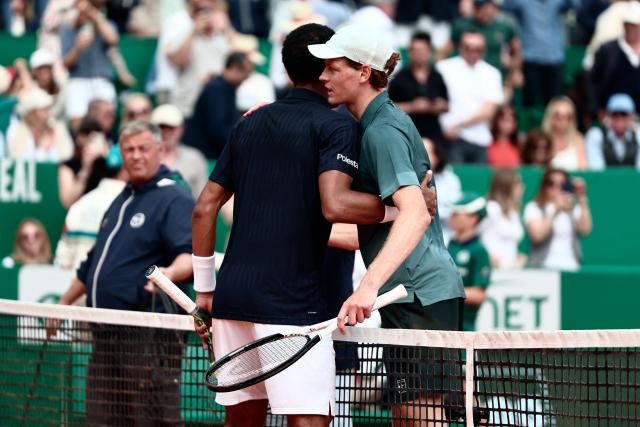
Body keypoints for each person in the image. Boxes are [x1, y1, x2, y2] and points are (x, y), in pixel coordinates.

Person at [191, 23, 436, 427]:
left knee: (243, 422)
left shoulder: (248, 123)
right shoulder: (339, 128)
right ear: (327, 67)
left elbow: (204, 208)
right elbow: (336, 204)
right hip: (293, 305)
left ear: (287, 73)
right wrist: (399, 209)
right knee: (308, 422)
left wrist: (205, 292)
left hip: (232, 298)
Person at [310, 24, 465, 424]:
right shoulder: (371, 125)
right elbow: (384, 224)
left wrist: (367, 286)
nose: (323, 76)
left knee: (420, 419)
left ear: (363, 72)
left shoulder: (382, 131)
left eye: (333, 68)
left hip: (420, 299)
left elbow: (414, 212)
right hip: (414, 298)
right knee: (408, 419)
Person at [47, 120, 194, 425]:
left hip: (149, 339)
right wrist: (62, 305)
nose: (136, 156)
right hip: (105, 335)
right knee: (104, 420)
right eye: (129, 149)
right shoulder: (121, 199)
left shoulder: (175, 197)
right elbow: (92, 265)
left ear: (161, 151)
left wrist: (165, 276)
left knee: (151, 420)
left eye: (143, 148)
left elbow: (190, 257)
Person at [55, 145, 127, 270]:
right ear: (125, 170)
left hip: (76, 283)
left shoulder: (79, 205)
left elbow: (62, 261)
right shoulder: (130, 205)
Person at [437, 30, 504, 164]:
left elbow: (488, 111)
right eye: (468, 47)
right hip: (450, 137)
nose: (473, 51)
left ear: (484, 50)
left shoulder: (492, 73)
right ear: (460, 47)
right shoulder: (444, 68)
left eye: (478, 48)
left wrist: (458, 125)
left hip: (480, 138)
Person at [161, 0, 234, 116]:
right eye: (200, 10)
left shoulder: (222, 36)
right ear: (192, 14)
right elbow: (177, 60)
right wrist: (194, 31)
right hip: (190, 104)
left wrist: (226, 27)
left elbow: (242, 56)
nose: (205, 14)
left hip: (217, 102)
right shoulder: (185, 35)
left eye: (210, 10)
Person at [501, 0, 579, 107]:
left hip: (554, 58)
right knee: (530, 103)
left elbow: (575, 5)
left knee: (554, 103)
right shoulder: (522, 2)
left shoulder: (557, 2)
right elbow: (505, 7)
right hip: (530, 59)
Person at [439, 0, 522, 100]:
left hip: (495, 78)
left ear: (490, 6)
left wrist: (515, 71)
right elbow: (443, 52)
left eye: (482, 6)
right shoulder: (462, 25)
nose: (478, 9)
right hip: (465, 79)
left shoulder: (504, 26)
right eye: (476, 6)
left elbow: (517, 51)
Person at [183, 52, 253, 159]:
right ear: (234, 68)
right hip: (204, 154)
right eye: (245, 73)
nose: (246, 78)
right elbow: (217, 129)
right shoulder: (216, 89)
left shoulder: (227, 88)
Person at [59, 0, 118, 124]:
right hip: (78, 80)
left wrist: (94, 15)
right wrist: (78, 48)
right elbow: (66, 64)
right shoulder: (67, 28)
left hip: (102, 79)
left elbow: (113, 40)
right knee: (78, 122)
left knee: (105, 119)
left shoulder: (106, 24)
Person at [524, 168, 593, 271]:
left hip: (571, 267)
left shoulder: (573, 208)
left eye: (562, 184)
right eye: (551, 183)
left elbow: (585, 229)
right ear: (544, 186)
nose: (556, 188)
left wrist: (582, 198)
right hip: (542, 269)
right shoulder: (534, 207)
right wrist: (555, 211)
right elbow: (537, 236)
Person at [388, 32, 449, 145]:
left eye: (423, 50)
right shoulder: (399, 78)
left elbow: (446, 105)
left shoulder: (437, 77)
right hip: (405, 134)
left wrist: (438, 105)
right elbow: (389, 107)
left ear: (430, 52)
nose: (419, 54)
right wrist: (413, 106)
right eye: (415, 50)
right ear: (410, 52)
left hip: (433, 135)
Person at [447, 193, 491, 331]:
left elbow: (479, 295)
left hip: (464, 328)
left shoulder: (479, 250)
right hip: (444, 325)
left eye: (457, 213)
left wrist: (446, 293)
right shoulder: (450, 244)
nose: (451, 217)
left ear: (473, 219)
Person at [588, 4, 640, 119]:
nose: (634, 29)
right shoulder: (607, 50)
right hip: (612, 116)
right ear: (624, 25)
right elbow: (592, 80)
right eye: (630, 25)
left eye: (636, 25)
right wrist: (596, 109)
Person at [152, 103, 209, 198]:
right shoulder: (145, 158)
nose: (165, 132)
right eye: (161, 127)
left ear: (181, 129)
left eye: (170, 128)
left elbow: (203, 198)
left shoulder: (194, 158)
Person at [7, 87, 73, 161]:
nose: (48, 112)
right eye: (44, 109)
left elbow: (67, 153)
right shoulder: (18, 129)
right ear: (32, 112)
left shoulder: (56, 127)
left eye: (48, 108)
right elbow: (16, 157)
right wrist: (41, 150)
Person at [57, 117, 109, 209]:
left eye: (95, 136)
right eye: (87, 135)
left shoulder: (107, 162)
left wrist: (108, 157)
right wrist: (86, 168)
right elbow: (68, 202)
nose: (90, 140)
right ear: (78, 138)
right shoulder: (68, 166)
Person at [481, 168, 526, 268]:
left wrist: (519, 256)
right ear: (505, 186)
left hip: (511, 270)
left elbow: (510, 244)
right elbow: (474, 236)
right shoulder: (491, 208)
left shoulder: (514, 212)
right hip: (490, 270)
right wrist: (487, 257)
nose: (522, 187)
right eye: (517, 183)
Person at [423, 137, 462, 246]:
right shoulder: (407, 178)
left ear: (437, 156)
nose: (421, 157)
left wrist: (431, 207)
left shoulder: (450, 179)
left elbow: (453, 210)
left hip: (444, 237)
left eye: (427, 152)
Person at [586, 93, 640, 169]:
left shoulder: (638, 136)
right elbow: (597, 170)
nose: (619, 117)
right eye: (615, 114)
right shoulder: (596, 135)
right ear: (608, 115)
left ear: (631, 116)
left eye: (624, 114)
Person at [542, 96, 588, 171]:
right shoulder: (542, 140)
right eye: (558, 117)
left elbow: (583, 170)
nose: (563, 121)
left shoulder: (578, 140)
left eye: (567, 117)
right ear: (550, 117)